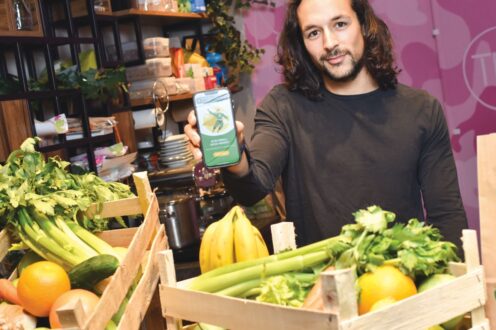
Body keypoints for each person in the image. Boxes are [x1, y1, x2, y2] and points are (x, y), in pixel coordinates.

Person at [185, 0, 468, 254]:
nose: (329, 43)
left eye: (340, 24)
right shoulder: (284, 106)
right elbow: (252, 186)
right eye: (313, 33)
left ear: (364, 25)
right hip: (322, 294)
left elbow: (447, 217)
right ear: (302, 44)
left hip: (403, 287)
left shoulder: (421, 110)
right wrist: (233, 155)